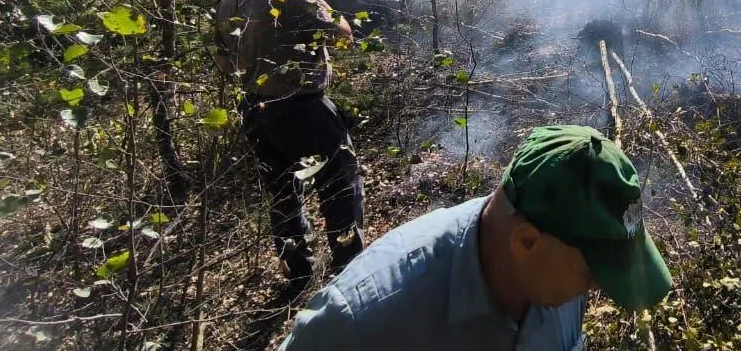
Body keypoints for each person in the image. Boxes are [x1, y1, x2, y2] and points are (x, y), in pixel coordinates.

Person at [277, 125, 674, 351]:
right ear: (527, 243)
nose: (598, 287)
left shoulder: (557, 269)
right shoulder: (359, 323)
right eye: (593, 272)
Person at [214, 0, 365, 291]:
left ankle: (299, 273)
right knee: (341, 185)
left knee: (281, 192)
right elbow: (344, 34)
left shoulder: (231, 2)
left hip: (254, 110)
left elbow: (222, 58)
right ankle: (350, 271)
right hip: (304, 111)